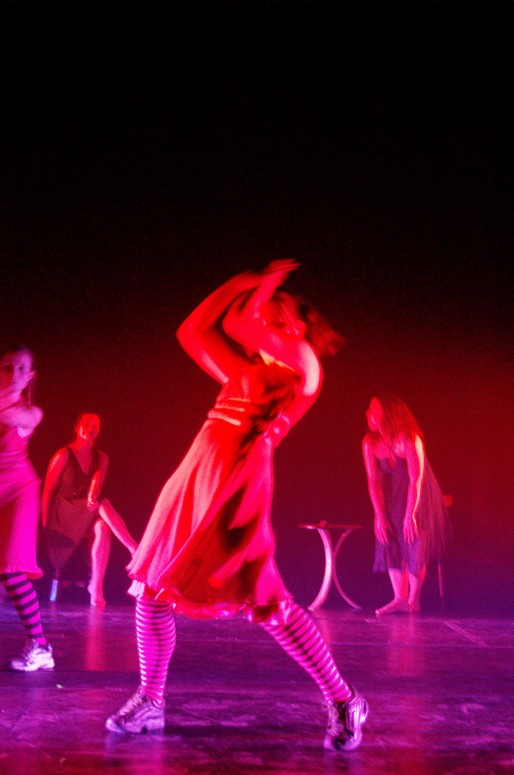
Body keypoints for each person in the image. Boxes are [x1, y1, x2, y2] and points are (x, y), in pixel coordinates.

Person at [106, 260, 368, 752]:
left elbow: (238, 322)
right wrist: (241, 284)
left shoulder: (306, 366)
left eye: (277, 314)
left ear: (299, 326)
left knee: (267, 601)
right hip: (193, 478)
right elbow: (192, 331)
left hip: (238, 483)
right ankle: (150, 699)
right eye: (266, 311)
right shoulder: (244, 370)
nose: (265, 316)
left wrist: (261, 285)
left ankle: (344, 698)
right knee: (152, 590)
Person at [362, 393, 451, 616]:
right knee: (389, 537)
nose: (368, 414)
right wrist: (379, 515)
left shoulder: (410, 439)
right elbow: (374, 480)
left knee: (413, 540)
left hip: (420, 495)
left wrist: (411, 514)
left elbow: (416, 480)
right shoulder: (370, 443)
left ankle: (413, 599)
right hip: (396, 495)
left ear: (389, 414)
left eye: (374, 411)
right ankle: (399, 597)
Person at [42, 412, 138, 607]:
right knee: (103, 504)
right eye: (86, 424)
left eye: (95, 425)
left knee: (103, 526)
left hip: (86, 507)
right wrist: (45, 525)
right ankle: (134, 549)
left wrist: (92, 497)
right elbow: (48, 490)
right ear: (77, 427)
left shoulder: (101, 457)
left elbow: (96, 484)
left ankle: (96, 586)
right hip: (64, 511)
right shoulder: (63, 455)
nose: (91, 428)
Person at [0, 344, 55, 671]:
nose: (14, 373)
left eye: (21, 368)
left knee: (11, 570)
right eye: (7, 366)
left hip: (19, 490)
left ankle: (40, 646)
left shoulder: (31, 413)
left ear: (30, 376)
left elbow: (7, 414)